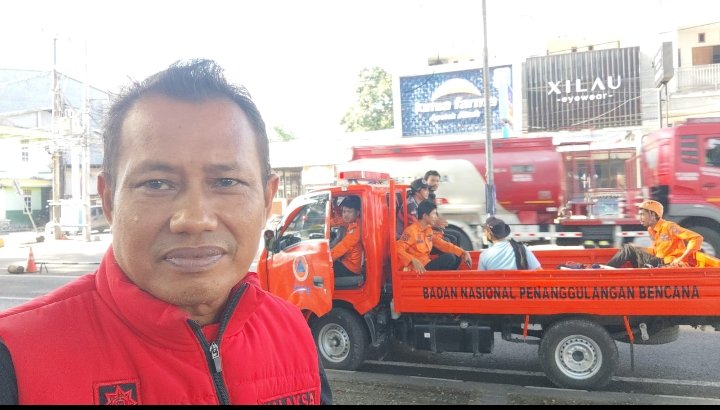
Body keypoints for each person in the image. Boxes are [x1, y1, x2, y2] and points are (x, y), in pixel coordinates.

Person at [0, 59, 331, 405]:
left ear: (266, 199)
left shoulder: (294, 333)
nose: (194, 219)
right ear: (109, 200)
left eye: (226, 182)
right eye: (157, 183)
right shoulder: (15, 358)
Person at [606, 199, 703, 268]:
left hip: (666, 263)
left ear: (653, 214)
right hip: (658, 261)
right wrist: (639, 249)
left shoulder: (669, 227)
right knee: (631, 249)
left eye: (642, 215)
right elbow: (656, 251)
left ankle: (606, 270)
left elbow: (697, 238)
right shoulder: (651, 230)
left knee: (628, 249)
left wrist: (681, 259)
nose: (640, 218)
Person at [396, 199, 471, 273]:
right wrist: (412, 260)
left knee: (457, 256)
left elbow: (443, 244)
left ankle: (448, 279)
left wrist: (463, 253)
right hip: (418, 270)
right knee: (450, 257)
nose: (436, 217)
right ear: (425, 216)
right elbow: (398, 248)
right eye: (434, 214)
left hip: (427, 264)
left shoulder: (428, 230)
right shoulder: (411, 231)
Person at [422, 170, 459, 246]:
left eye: (437, 181)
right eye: (432, 180)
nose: (435, 183)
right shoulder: (425, 197)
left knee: (456, 235)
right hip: (427, 231)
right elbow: (423, 218)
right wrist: (435, 225)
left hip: (433, 229)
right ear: (425, 181)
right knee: (453, 238)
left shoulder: (431, 196)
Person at [330, 195, 363, 278]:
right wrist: (324, 224)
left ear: (357, 213)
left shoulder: (356, 229)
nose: (346, 215)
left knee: (322, 270)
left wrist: (328, 257)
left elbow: (343, 246)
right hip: (346, 262)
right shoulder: (351, 221)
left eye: (349, 212)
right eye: (344, 211)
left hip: (351, 268)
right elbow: (337, 220)